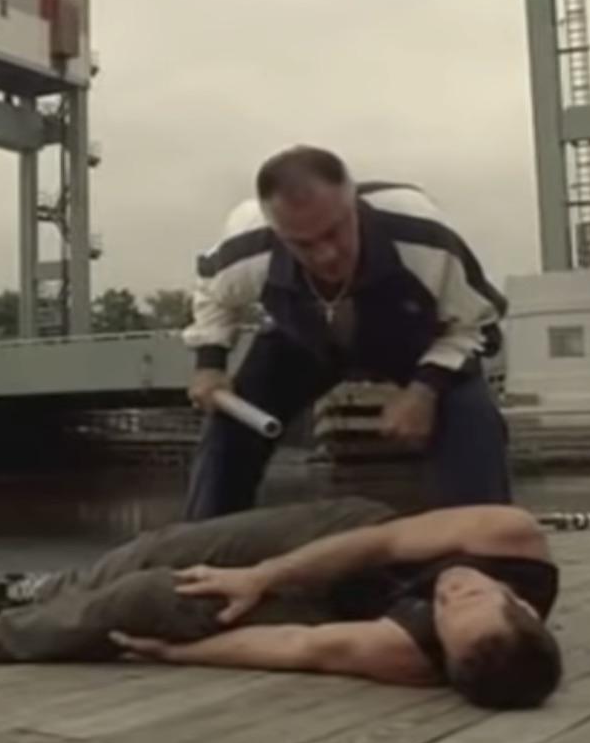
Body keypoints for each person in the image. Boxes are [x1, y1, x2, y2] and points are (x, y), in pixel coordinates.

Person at [0, 497, 563, 710]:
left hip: (335, 610)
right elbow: (385, 542)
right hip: (352, 540)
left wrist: (178, 651)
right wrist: (261, 574)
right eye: (473, 592)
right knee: (168, 546)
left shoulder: (411, 652)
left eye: (447, 611)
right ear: (526, 607)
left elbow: (301, 647)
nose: (450, 592)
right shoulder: (511, 538)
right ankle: (54, 588)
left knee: (148, 597)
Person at [182, 146, 515, 519]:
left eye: (334, 232)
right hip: (302, 341)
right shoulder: (246, 247)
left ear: (352, 204)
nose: (325, 255)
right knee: (230, 424)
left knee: (472, 420)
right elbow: (211, 291)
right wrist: (209, 363)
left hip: (409, 340)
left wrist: (424, 390)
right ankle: (204, 540)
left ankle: (487, 537)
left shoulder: (422, 235)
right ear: (276, 232)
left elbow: (478, 323)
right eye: (303, 244)